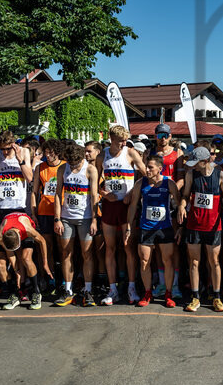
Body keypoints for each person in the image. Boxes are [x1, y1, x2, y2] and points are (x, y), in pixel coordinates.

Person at [96, 125, 145, 305]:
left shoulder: (131, 153)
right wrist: (103, 194)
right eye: (120, 141)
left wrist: (132, 194)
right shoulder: (102, 156)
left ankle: (131, 287)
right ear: (111, 139)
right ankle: (113, 289)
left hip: (126, 206)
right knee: (110, 248)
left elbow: (145, 174)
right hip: (110, 205)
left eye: (125, 141)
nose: (123, 144)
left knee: (128, 247)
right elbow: (96, 182)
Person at [126, 153, 181, 307]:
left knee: (167, 261)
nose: (147, 170)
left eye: (150, 167)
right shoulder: (140, 183)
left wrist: (180, 227)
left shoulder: (169, 184)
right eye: (146, 166)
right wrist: (129, 227)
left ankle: (168, 293)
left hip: (164, 228)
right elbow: (132, 206)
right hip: (146, 228)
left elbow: (178, 206)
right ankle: (147, 293)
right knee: (144, 261)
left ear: (159, 169)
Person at [179, 146, 223, 312]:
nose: (193, 166)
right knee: (194, 262)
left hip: (214, 226)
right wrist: (181, 205)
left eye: (196, 163)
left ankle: (216, 297)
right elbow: (186, 195)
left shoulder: (221, 175)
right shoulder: (191, 175)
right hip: (194, 225)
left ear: (205, 160)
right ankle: (195, 298)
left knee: (214, 261)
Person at [0, 130, 33, 302]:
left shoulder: (23, 152)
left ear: (13, 145)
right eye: (3, 149)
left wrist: (20, 159)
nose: (5, 153)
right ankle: (4, 285)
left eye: (8, 149)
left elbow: (30, 178)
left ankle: (22, 284)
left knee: (16, 249)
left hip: (16, 207)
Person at [53, 143, 99, 307]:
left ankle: (88, 289)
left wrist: (94, 219)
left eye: (75, 164)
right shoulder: (62, 169)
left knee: (87, 254)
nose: (73, 167)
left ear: (82, 158)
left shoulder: (90, 169)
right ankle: (68, 290)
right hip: (66, 217)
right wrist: (57, 218)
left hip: (85, 217)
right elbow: (58, 194)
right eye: (70, 164)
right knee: (66, 253)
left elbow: (94, 196)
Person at [0, 211, 53, 310]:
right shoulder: (0, 237)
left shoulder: (28, 229)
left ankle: (36, 293)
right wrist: (16, 270)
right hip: (9, 224)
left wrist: (45, 263)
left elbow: (43, 242)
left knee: (26, 258)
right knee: (7, 262)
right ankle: (15, 293)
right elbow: (10, 253)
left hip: (23, 226)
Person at [32, 139, 65, 296]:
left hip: (62, 211)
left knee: (63, 247)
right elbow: (34, 192)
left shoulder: (65, 166)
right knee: (47, 247)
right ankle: (50, 278)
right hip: (44, 211)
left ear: (57, 152)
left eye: (51, 152)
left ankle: (65, 280)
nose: (48, 155)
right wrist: (33, 212)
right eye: (46, 152)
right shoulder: (40, 168)